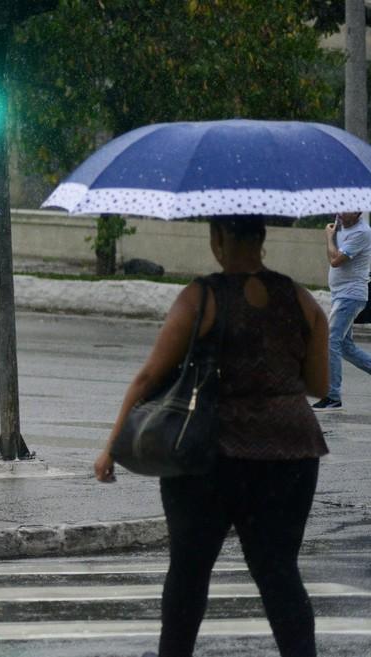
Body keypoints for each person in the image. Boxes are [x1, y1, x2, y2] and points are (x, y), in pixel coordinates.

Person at [93, 216, 329, 657]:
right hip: (291, 452)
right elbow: (317, 384)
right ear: (261, 238)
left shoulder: (201, 298)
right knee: (279, 572)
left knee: (190, 569)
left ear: (218, 239)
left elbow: (148, 378)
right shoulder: (301, 300)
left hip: (209, 456)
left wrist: (111, 447)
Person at [312, 211, 371, 410]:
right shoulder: (340, 223)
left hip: (350, 295)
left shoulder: (362, 232)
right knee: (346, 347)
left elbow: (335, 260)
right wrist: (335, 231)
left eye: (346, 209)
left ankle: (332, 396)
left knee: (330, 340)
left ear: (357, 212)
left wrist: (329, 237)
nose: (340, 212)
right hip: (340, 293)